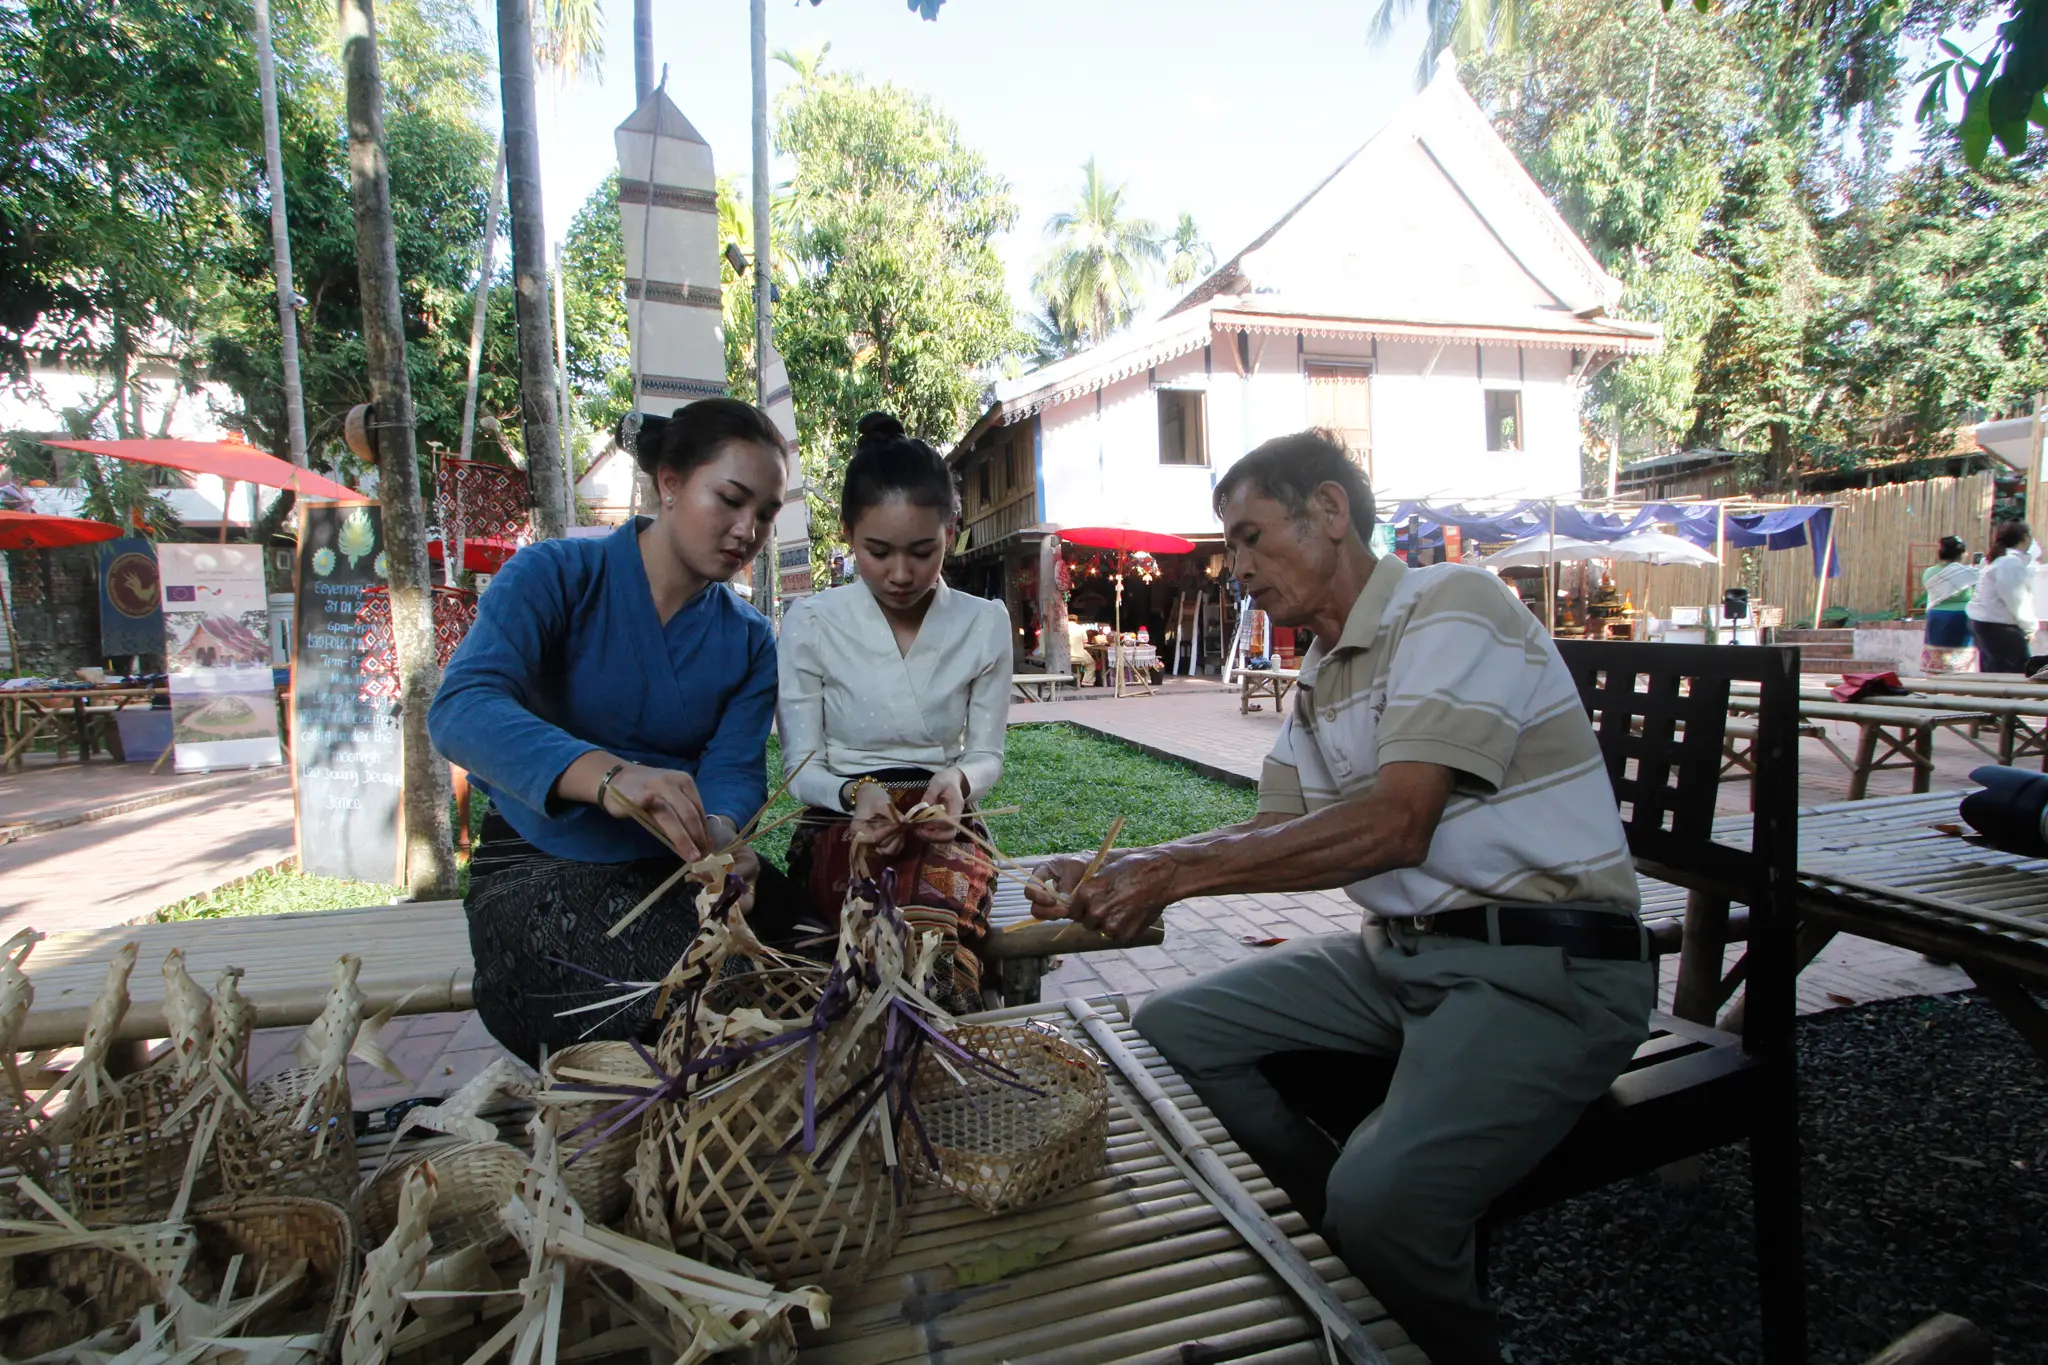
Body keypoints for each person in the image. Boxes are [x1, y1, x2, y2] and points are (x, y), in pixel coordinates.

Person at [1025, 430, 1653, 1365]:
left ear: (1328, 509)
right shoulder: (1323, 671)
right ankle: (1347, 1241)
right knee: (1173, 1030)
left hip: (1546, 968)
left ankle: (1394, 1258)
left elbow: (1399, 823)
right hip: (1403, 955)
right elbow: (1267, 829)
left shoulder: (1451, 604)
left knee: (1383, 1201)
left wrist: (1173, 876)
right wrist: (1124, 867)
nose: (1237, 567)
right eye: (1228, 547)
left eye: (1249, 537)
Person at [428, 398, 793, 1063]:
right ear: (670, 483)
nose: (747, 530)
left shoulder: (748, 639)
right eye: (730, 499)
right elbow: (462, 707)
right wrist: (611, 778)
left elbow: (735, 769)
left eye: (766, 514)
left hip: (671, 874)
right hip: (539, 868)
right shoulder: (553, 576)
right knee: (710, 1001)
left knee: (823, 966)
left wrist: (717, 836)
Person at [777, 413, 1013, 1013]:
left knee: (929, 938)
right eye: (877, 552)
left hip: (943, 818)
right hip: (841, 819)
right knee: (857, 928)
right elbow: (800, 769)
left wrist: (957, 781)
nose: (901, 574)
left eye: (923, 551)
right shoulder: (811, 623)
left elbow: (987, 754)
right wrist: (855, 794)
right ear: (847, 533)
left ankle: (935, 1032)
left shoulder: (984, 623)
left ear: (952, 533)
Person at [1967, 521, 2036, 674]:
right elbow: (2017, 599)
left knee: (1993, 675)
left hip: (1983, 623)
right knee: (2013, 676)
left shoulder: (1996, 559)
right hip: (1999, 627)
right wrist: (2030, 627)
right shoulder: (2010, 563)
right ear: (2025, 538)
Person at [1920, 535, 1979, 674]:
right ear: (1961, 554)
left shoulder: (1929, 572)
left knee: (1936, 657)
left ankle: (1934, 681)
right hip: (1961, 618)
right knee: (1961, 661)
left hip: (1936, 617)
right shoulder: (1967, 573)